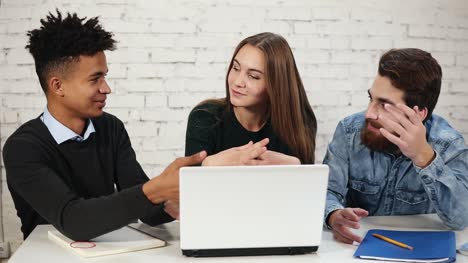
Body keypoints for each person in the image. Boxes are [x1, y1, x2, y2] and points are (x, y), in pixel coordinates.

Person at [2, 10, 206, 241]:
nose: (106, 88)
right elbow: (74, 221)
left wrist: (170, 199)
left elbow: (145, 206)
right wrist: (156, 190)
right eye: (95, 79)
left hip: (106, 251)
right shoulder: (23, 148)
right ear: (58, 86)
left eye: (104, 77)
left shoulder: (110, 128)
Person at [323, 48, 468, 244]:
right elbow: (328, 190)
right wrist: (334, 214)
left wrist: (424, 157)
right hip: (356, 247)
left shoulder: (448, 144)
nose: (369, 114)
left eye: (384, 104)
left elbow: (461, 219)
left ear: (419, 114)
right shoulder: (350, 131)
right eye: (371, 99)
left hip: (419, 248)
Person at [185, 32, 317, 166]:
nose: (238, 82)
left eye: (253, 76)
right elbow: (188, 183)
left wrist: (293, 163)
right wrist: (210, 163)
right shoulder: (205, 117)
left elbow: (308, 182)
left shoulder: (300, 121)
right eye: (236, 68)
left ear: (276, 84)